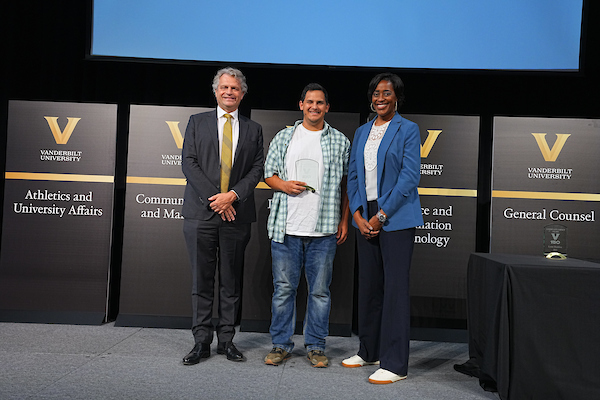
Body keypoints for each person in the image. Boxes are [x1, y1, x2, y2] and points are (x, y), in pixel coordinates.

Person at [263, 83, 351, 368]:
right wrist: (284, 185)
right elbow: (269, 175)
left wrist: (345, 219)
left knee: (320, 292)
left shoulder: (340, 141)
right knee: (283, 290)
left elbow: (349, 184)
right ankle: (281, 344)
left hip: (323, 232)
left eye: (320, 103)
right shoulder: (284, 137)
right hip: (286, 228)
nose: (314, 107)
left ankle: (316, 346)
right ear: (301, 105)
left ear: (327, 107)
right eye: (309, 102)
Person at [344, 73, 423, 384]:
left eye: (387, 93)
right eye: (376, 93)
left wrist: (382, 215)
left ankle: (395, 364)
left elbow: (409, 177)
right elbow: (353, 175)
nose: (380, 98)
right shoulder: (362, 131)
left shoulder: (409, 129)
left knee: (394, 291)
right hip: (367, 214)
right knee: (370, 287)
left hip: (396, 215)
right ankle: (369, 350)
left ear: (397, 98)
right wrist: (360, 215)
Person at [181, 67, 264, 365]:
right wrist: (217, 199)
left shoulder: (253, 129)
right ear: (215, 91)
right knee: (201, 281)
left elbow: (257, 169)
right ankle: (201, 342)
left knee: (231, 282)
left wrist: (233, 196)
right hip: (201, 214)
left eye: (235, 88)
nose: (229, 92)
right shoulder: (196, 122)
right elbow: (189, 164)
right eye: (224, 88)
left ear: (242, 93)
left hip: (236, 215)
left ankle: (227, 340)